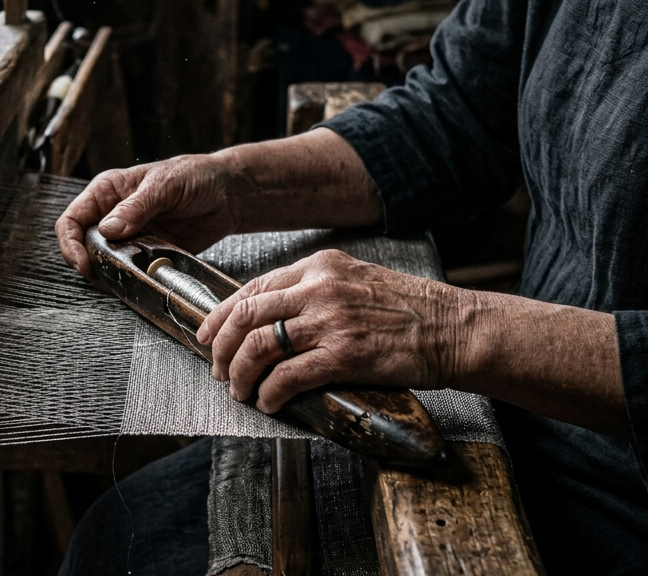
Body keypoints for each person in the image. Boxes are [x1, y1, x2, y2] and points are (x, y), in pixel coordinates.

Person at [54, 0, 648, 574]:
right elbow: (456, 117)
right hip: (513, 418)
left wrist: (450, 331)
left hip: (620, 505)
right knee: (117, 538)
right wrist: (231, 183)